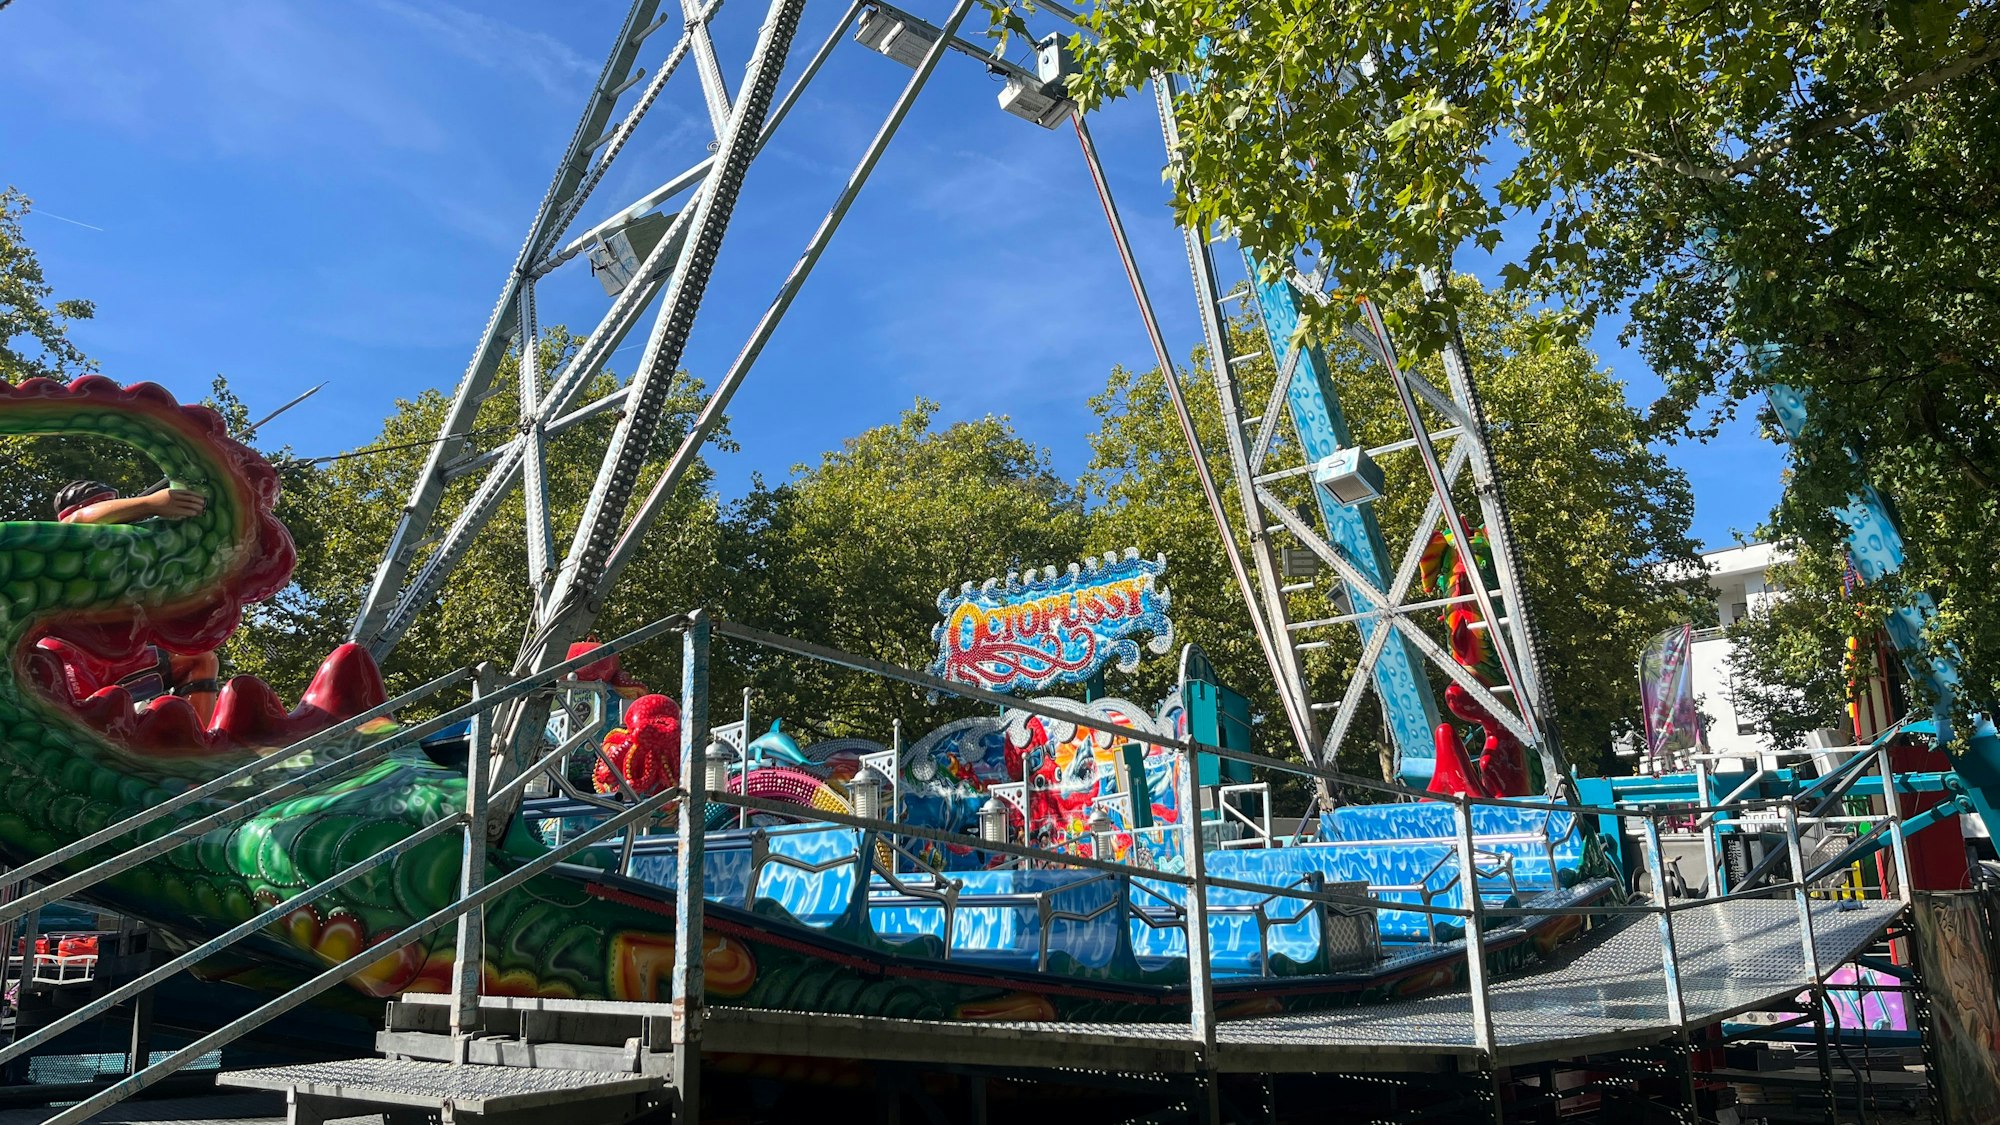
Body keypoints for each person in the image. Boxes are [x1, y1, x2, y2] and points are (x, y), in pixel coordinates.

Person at [54, 481, 220, 723]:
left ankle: (195, 743)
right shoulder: (62, 547)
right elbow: (74, 523)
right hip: (71, 661)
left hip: (118, 658)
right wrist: (149, 504)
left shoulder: (126, 559)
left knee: (200, 659)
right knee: (85, 721)